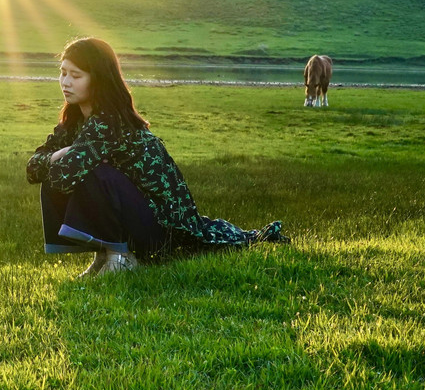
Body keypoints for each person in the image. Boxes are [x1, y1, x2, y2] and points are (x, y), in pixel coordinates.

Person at [27, 37, 287, 277]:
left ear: (99, 80)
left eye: (76, 75)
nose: (65, 82)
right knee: (77, 165)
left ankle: (122, 257)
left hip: (162, 231)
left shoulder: (109, 121)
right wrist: (56, 156)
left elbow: (62, 179)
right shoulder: (74, 121)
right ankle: (105, 254)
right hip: (140, 220)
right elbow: (33, 168)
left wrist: (59, 160)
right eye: (62, 72)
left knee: (93, 172)